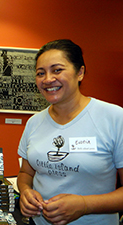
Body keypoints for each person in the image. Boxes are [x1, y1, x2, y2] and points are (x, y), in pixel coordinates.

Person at [17, 39, 123, 225]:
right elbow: (26, 173)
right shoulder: (34, 122)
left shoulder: (114, 117)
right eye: (40, 73)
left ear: (80, 72)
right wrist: (26, 192)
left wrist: (84, 204)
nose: (48, 79)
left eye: (57, 70)